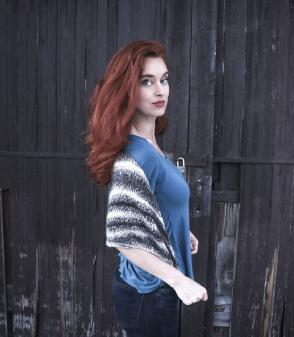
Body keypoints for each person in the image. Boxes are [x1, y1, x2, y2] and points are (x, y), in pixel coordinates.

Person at [84, 40, 208, 337]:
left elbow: (153, 204)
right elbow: (123, 237)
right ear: (127, 89)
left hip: (153, 288)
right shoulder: (134, 156)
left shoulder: (151, 146)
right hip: (149, 292)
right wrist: (179, 281)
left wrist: (177, 229)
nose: (160, 90)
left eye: (164, 80)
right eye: (146, 82)